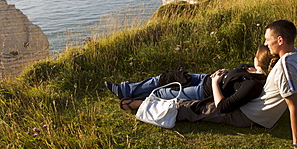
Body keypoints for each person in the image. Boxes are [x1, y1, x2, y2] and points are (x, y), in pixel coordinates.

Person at [177, 19, 297, 149]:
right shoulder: (296, 54)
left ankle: (159, 106)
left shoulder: (286, 69)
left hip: (249, 115)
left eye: (267, 39)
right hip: (252, 107)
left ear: (280, 40)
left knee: (190, 108)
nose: (265, 43)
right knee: (200, 100)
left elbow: (294, 107)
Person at [108, 45, 277, 112]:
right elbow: (235, 76)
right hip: (205, 79)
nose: (253, 56)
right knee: (166, 77)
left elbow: (223, 106)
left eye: (256, 55)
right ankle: (126, 89)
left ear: (261, 60)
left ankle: (135, 102)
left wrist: (216, 82)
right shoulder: (253, 70)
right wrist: (225, 72)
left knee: (166, 92)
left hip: (203, 92)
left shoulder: (252, 84)